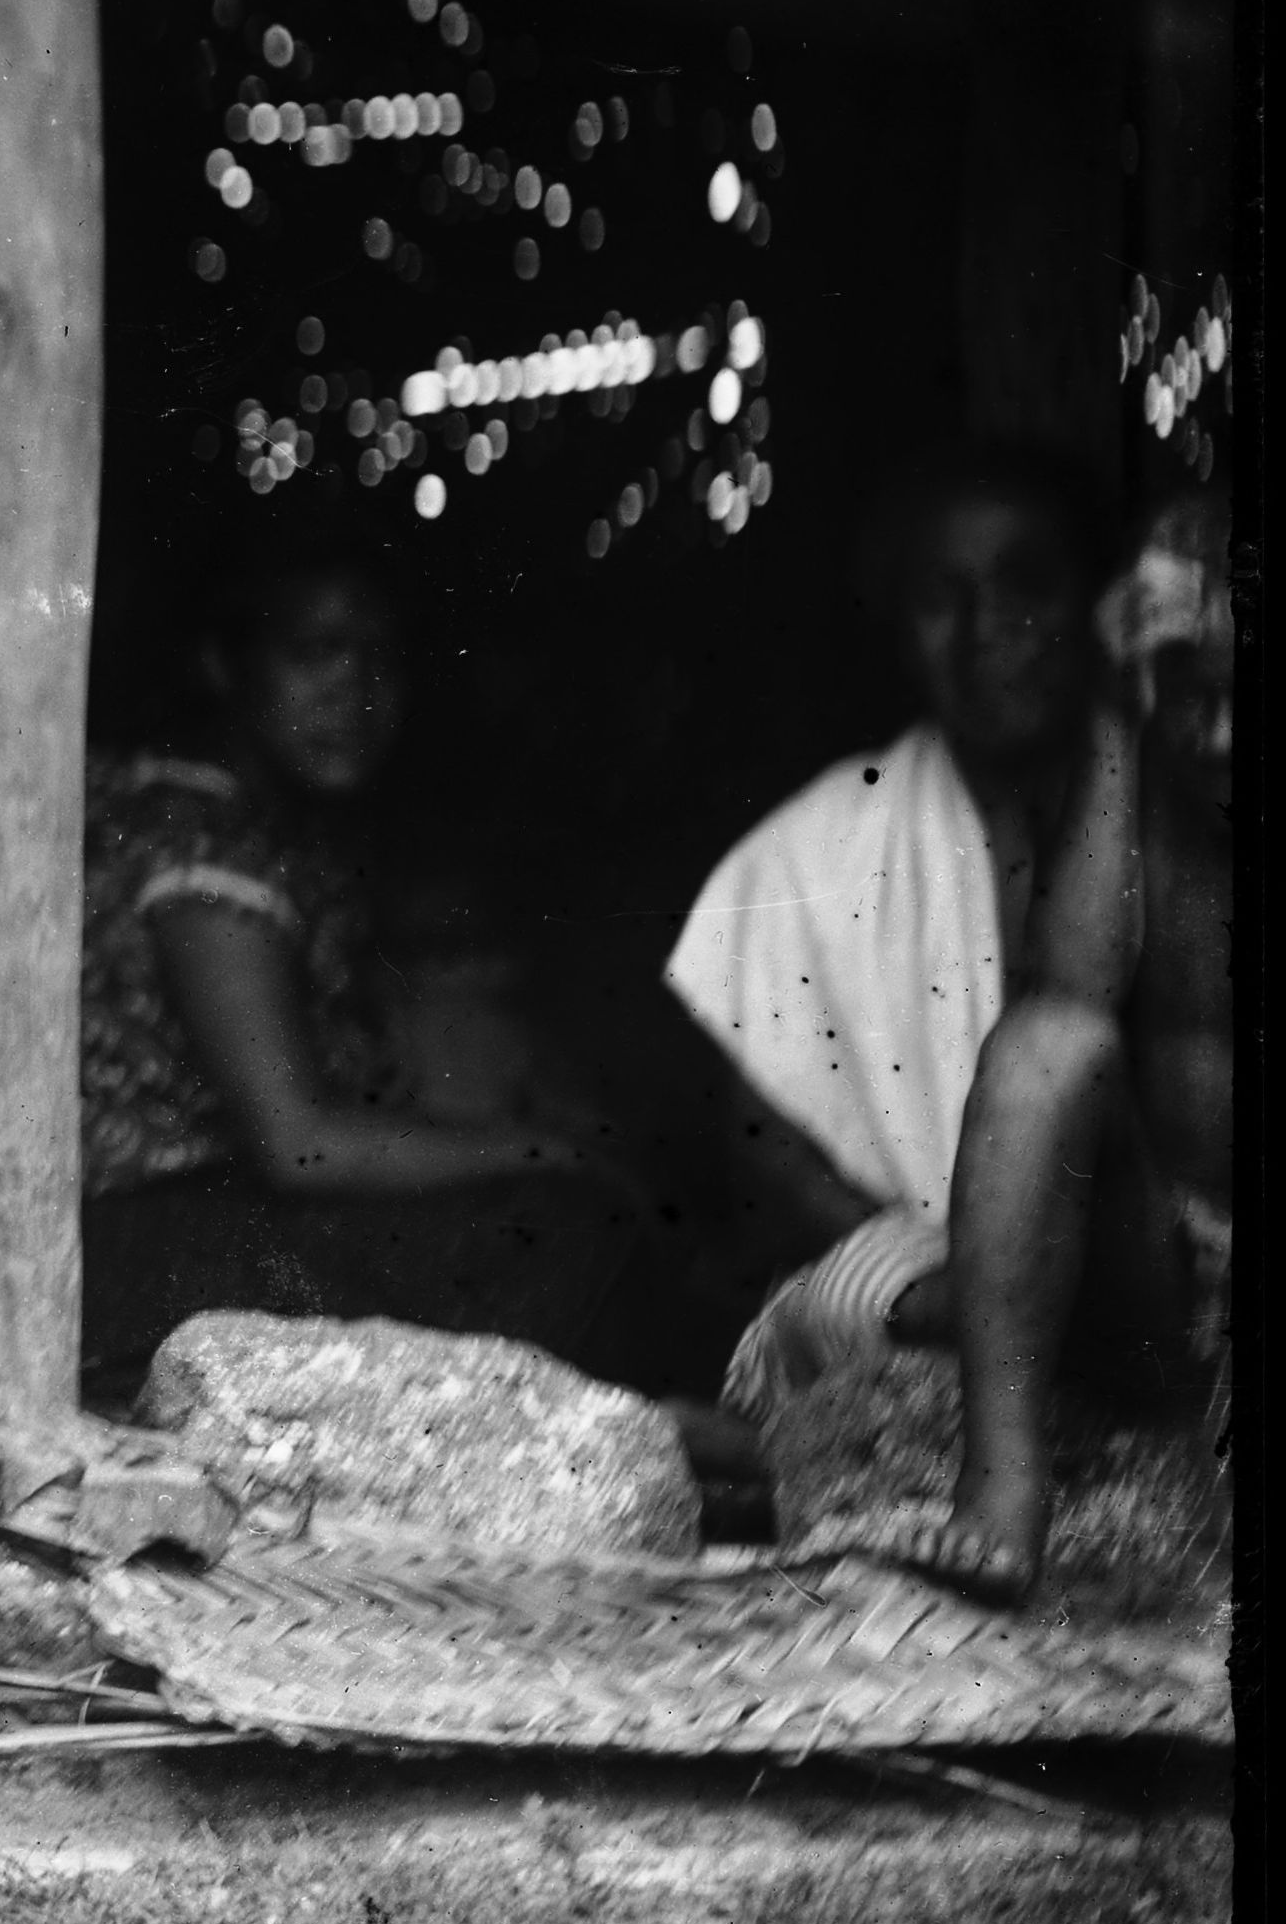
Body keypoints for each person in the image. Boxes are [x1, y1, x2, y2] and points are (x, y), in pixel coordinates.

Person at [78, 513, 738, 1408]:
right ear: (224, 667)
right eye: (314, 651)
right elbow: (298, 1144)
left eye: (379, 655)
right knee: (557, 1233)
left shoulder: (211, 810)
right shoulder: (207, 848)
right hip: (141, 1258)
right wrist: (552, 1148)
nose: (355, 689)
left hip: (151, 1239)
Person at [842, 496, 1234, 1605]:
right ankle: (1000, 1501)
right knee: (1043, 1049)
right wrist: (1114, 714)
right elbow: (1065, 997)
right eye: (1190, 698)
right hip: (1165, 1285)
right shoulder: (1144, 779)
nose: (1213, 738)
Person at [673, 445, 1104, 1412]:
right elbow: (769, 1152)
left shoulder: (1171, 825)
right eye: (941, 598)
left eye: (1028, 582)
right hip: (911, 1301)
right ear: (899, 633)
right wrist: (936, 1287)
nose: (989, 629)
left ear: (1094, 602)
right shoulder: (803, 856)